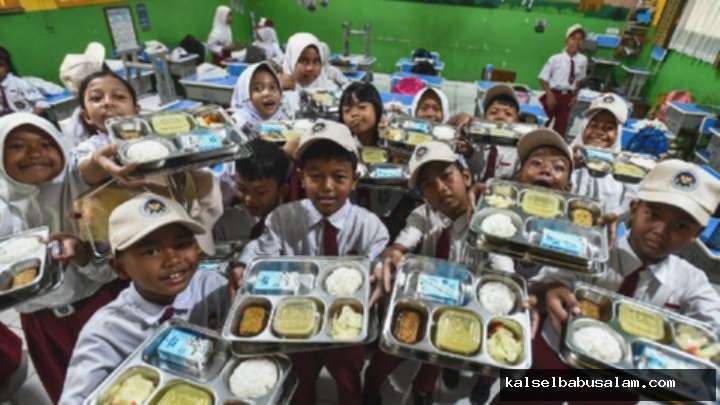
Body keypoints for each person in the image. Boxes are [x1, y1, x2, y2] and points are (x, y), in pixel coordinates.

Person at [238, 120, 389, 405]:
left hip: (347, 325)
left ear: (354, 180)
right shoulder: (282, 218)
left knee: (348, 382)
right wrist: (241, 265)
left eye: (339, 177)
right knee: (299, 382)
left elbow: (380, 262)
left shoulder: (370, 227)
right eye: (316, 176)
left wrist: (382, 272)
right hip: (294, 323)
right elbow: (262, 256)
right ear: (301, 177)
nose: (327, 187)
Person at [59, 193, 229, 405]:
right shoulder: (105, 332)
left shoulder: (211, 286)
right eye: (151, 251)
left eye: (182, 243)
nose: (173, 259)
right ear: (119, 268)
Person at [0, 112, 123, 402]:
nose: (34, 153)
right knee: (72, 391)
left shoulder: (78, 187)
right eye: (17, 146)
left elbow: (88, 168)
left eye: (46, 144)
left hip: (101, 306)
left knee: (123, 384)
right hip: (44, 324)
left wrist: (81, 254)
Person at [363, 142, 483, 405]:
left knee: (436, 358)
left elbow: (501, 265)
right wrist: (395, 251)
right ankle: (370, 390)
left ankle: (423, 390)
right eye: (428, 184)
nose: (440, 188)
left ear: (466, 177)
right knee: (385, 358)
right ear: (423, 195)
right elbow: (407, 237)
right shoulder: (423, 214)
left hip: (459, 306)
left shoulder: (484, 223)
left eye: (447, 176)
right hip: (421, 299)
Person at [213, 139, 290, 243]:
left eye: (260, 192)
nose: (249, 199)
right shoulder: (225, 224)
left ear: (282, 190)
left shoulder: (295, 223)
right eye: (242, 189)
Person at [570, 93, 635, 214]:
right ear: (584, 127)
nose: (599, 132)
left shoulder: (622, 171)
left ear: (618, 133)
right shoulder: (565, 157)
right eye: (593, 125)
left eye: (609, 128)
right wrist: (570, 165)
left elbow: (625, 208)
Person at [539, 23, 587, 136]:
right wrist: (549, 94)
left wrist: (575, 96)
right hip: (553, 94)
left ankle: (555, 145)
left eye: (580, 39)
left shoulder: (583, 60)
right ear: (566, 40)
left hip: (568, 98)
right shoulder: (555, 59)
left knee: (561, 129)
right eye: (573, 38)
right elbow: (542, 78)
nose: (576, 42)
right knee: (542, 124)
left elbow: (579, 80)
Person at [0, 47, 49, 116]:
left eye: (0, 65)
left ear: (7, 66)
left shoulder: (19, 83)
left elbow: (41, 103)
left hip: (27, 119)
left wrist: (32, 117)